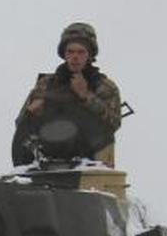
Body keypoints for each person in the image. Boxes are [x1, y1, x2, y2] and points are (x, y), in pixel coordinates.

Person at [16, 23, 123, 166]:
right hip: (47, 162)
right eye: (70, 52)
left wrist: (87, 96)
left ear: (89, 55)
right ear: (64, 54)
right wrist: (31, 112)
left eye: (81, 52)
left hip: (90, 165)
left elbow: (113, 124)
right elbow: (21, 126)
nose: (75, 57)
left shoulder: (104, 87)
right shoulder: (46, 84)